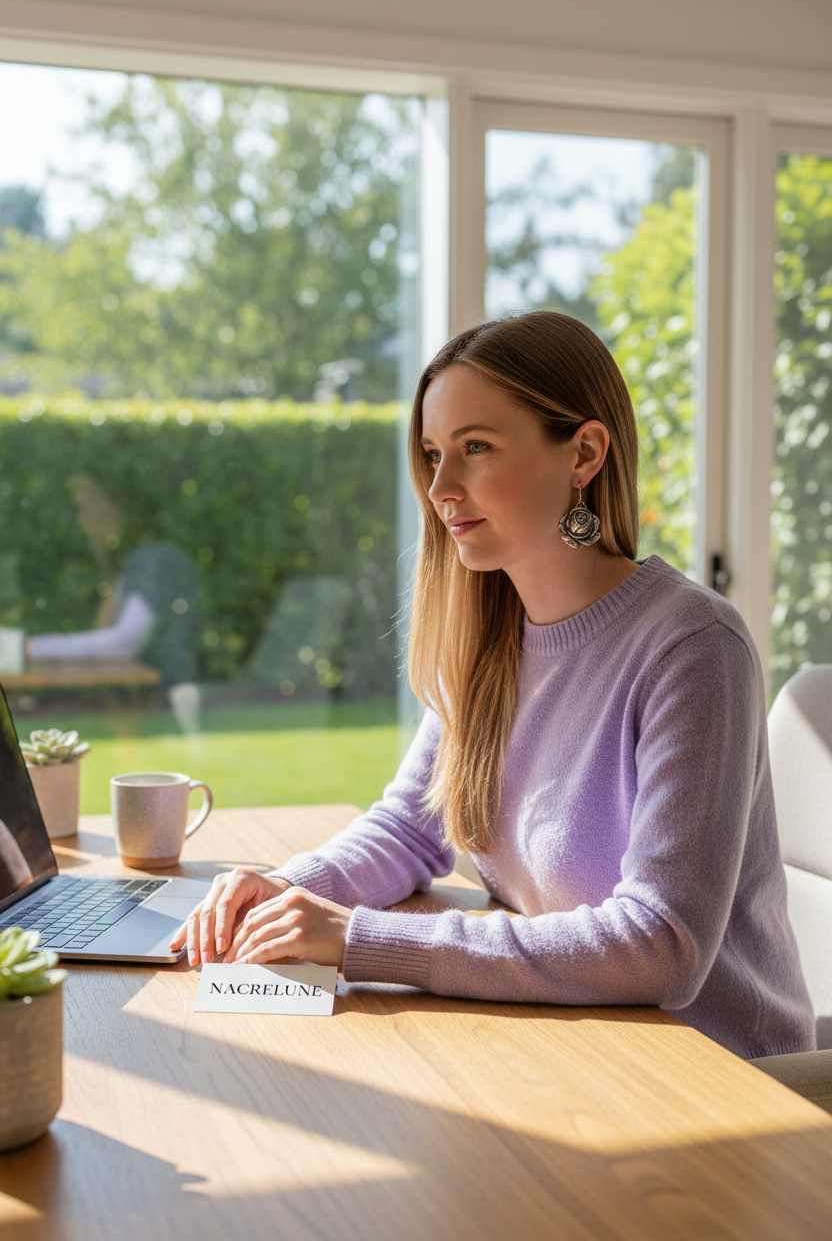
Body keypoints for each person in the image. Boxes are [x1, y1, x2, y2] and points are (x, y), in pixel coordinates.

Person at [172, 312, 815, 1060]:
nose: (442, 488)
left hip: (716, 1076)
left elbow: (662, 945)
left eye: (476, 448)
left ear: (584, 453)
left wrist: (359, 940)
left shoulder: (694, 647)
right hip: (575, 1043)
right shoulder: (491, 638)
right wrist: (285, 890)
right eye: (434, 453)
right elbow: (411, 828)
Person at [27, 473, 199, 720]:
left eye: (84, 507)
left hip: (162, 700)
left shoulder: (153, 560)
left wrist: (34, 647)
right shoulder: (134, 560)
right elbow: (105, 627)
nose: (81, 518)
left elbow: (125, 640)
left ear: (116, 502)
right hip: (147, 701)